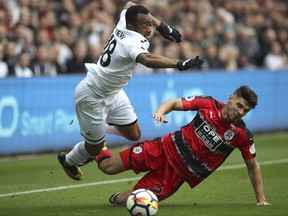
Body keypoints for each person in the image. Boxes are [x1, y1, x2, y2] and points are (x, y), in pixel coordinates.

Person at [57, 1, 204, 181]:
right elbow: (148, 60)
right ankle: (69, 160)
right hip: (92, 96)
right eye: (145, 25)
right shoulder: (132, 42)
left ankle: (99, 131)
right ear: (132, 26)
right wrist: (179, 63)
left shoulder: (123, 22)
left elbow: (129, 3)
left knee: (134, 134)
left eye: (150, 24)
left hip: (114, 92)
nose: (149, 28)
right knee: (94, 149)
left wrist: (161, 25)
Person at [94, 85, 270, 206]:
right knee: (107, 167)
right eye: (239, 105)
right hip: (161, 148)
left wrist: (260, 199)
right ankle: (95, 143)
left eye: (245, 110)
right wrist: (159, 112)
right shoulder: (208, 104)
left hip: (175, 175)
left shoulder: (242, 135)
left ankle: (117, 198)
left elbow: (253, 166)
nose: (240, 112)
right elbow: (173, 103)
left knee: (125, 202)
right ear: (231, 99)